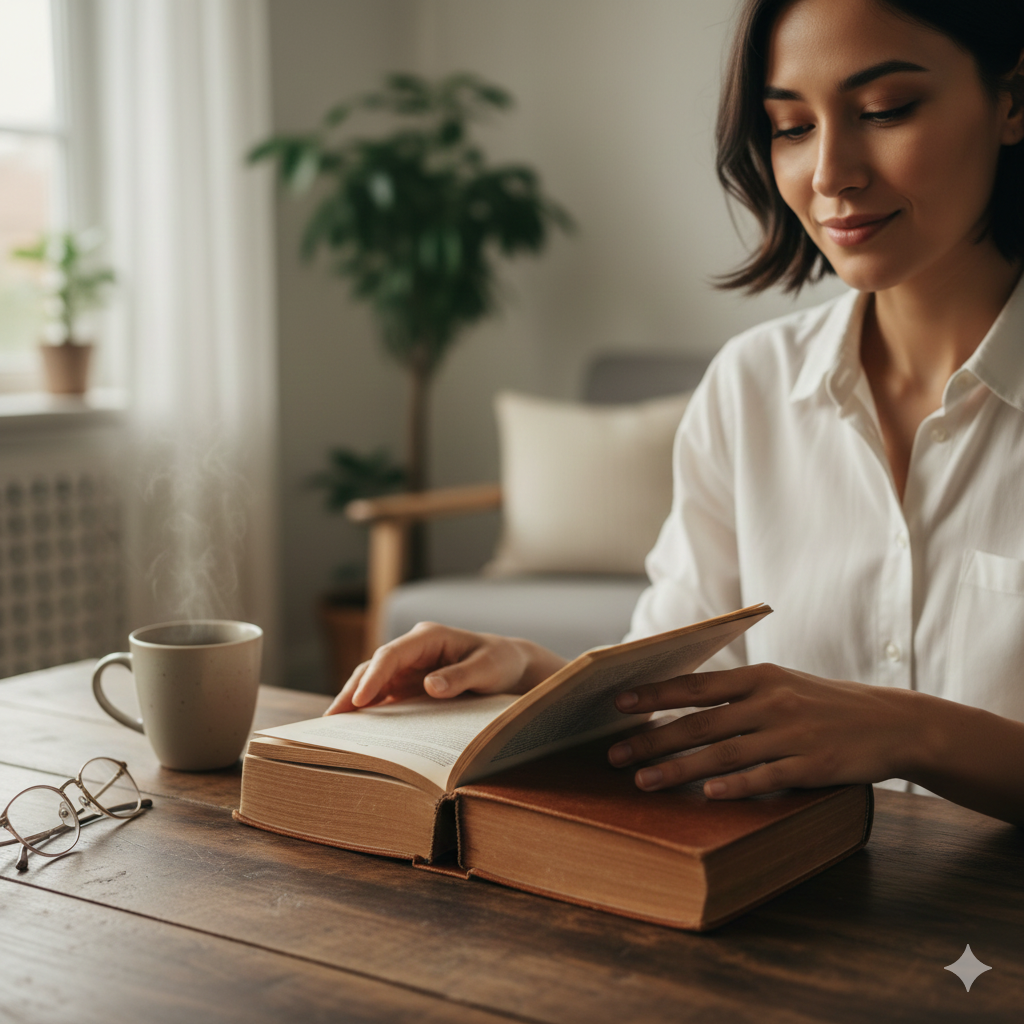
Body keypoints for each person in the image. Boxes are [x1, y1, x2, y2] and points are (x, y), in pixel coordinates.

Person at [326, 0, 1024, 826]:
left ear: (1011, 100)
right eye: (791, 126)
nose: (831, 171)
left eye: (884, 111)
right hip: (799, 910)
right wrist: (532, 678)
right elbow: (683, 699)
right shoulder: (751, 386)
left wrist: (916, 732)